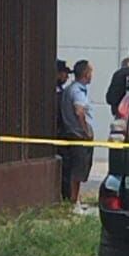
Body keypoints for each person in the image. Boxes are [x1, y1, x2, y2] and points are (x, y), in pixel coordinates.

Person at [61, 60, 95, 212]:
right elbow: (79, 111)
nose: (91, 75)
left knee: (79, 169)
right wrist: (85, 131)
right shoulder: (77, 91)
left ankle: (76, 200)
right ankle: (74, 203)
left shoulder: (72, 89)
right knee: (78, 170)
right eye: (90, 71)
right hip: (78, 135)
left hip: (74, 134)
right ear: (85, 73)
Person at [55, 59, 72, 201]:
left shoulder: (62, 91)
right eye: (65, 74)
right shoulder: (55, 92)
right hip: (58, 132)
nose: (67, 77)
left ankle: (66, 195)